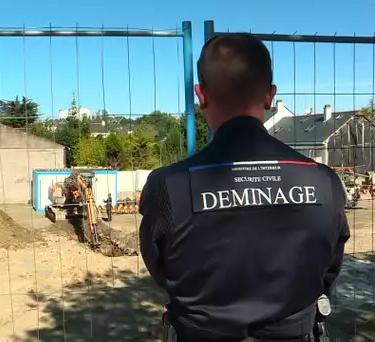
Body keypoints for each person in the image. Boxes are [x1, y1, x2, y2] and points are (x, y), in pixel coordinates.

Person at [138, 33, 350, 342]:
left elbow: (160, 269)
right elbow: (329, 268)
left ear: (201, 95)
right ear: (269, 96)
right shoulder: (323, 180)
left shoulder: (168, 186)